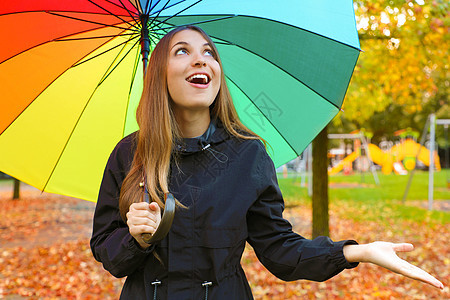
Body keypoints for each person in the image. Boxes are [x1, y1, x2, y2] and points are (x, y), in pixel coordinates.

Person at [90, 25, 444, 299]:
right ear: (159, 74)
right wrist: (136, 239)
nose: (201, 60)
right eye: (182, 52)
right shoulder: (130, 154)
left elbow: (280, 251)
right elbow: (109, 254)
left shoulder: (248, 154)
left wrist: (356, 252)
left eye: (209, 53)